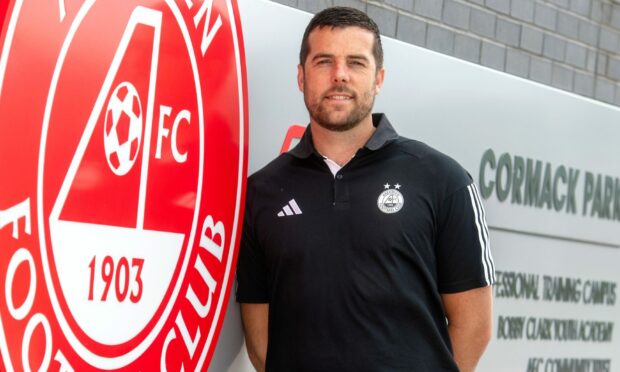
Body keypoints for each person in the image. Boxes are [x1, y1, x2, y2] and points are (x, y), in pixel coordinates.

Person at [236, 6, 495, 372]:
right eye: (324, 61)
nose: (339, 76)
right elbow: (261, 343)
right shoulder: (262, 192)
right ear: (301, 76)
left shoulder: (442, 180)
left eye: (356, 63)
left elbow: (475, 327)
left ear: (379, 78)